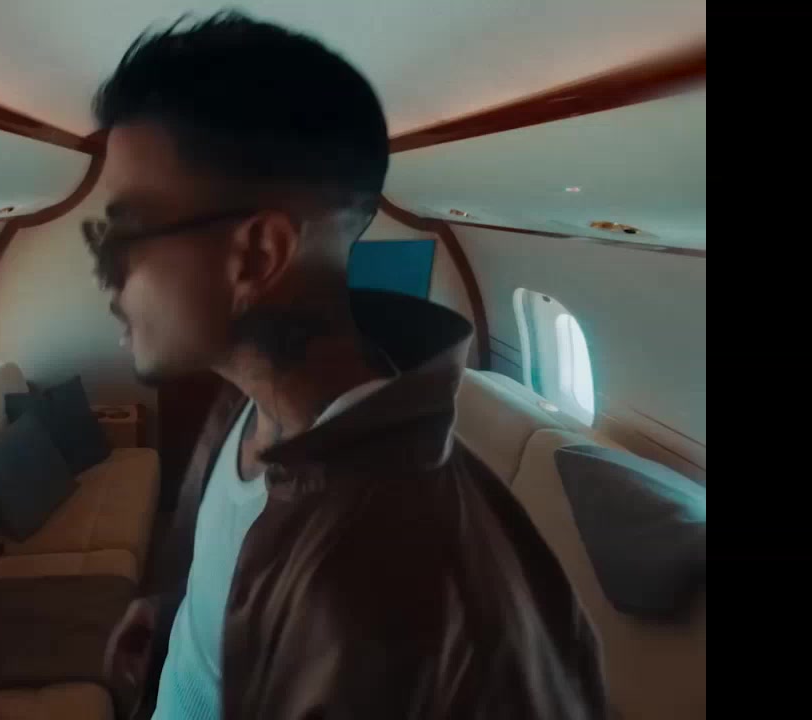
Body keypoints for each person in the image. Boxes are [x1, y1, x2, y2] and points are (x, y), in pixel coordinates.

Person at [88, 12, 607, 720]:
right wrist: (179, 615)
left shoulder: (379, 601)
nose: (107, 271)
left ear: (259, 256)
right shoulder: (247, 404)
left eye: (129, 232)